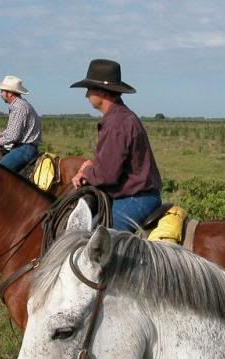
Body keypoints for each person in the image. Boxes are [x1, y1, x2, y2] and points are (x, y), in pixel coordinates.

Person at [69, 59, 162, 231]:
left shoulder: (116, 123)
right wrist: (93, 166)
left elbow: (107, 176)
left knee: (100, 243)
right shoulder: (120, 117)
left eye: (89, 89)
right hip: (137, 196)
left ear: (102, 92)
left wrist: (86, 172)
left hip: (136, 199)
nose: (87, 94)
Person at [0, 75, 42, 173]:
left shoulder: (18, 108)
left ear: (9, 93)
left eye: (2, 91)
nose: (0, 94)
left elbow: (13, 136)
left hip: (24, 148)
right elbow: (11, 130)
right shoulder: (21, 104)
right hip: (24, 147)